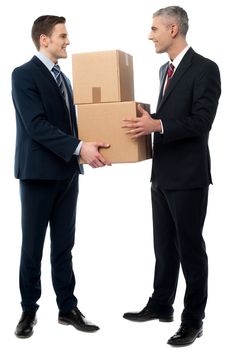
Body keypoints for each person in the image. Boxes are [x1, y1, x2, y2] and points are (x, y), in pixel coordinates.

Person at [122, 6, 221, 346]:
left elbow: (201, 121)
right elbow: (170, 116)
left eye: (154, 29)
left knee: (190, 250)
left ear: (174, 29)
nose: (150, 35)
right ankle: (161, 304)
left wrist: (158, 124)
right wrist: (148, 116)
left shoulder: (205, 69)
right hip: (161, 174)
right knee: (164, 247)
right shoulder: (165, 69)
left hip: (189, 176)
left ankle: (193, 320)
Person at [12, 15, 110, 338]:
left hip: (68, 175)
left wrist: (91, 148)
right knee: (33, 246)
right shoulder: (23, 75)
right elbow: (36, 126)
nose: (68, 41)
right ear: (44, 39)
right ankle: (29, 310)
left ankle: (67, 308)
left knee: (64, 246)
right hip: (38, 175)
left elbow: (70, 129)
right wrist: (79, 147)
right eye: (63, 36)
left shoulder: (65, 80)